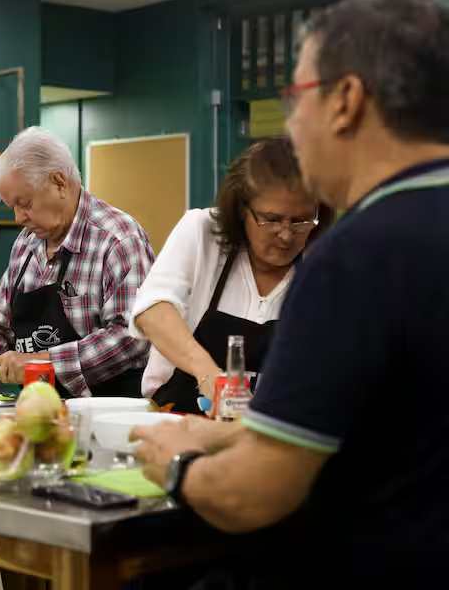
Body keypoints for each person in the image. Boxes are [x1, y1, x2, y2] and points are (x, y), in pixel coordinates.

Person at [133, 0, 449, 590]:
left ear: (346, 101)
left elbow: (256, 493)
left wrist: (176, 467)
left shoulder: (358, 256)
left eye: (295, 101)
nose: (292, 128)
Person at [130, 138, 332, 414]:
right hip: (178, 419)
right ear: (240, 209)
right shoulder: (202, 232)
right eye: (271, 219)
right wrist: (208, 374)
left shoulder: (325, 263)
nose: (286, 235)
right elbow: (152, 310)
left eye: (301, 221)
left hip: (272, 432)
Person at [0, 126, 154, 397]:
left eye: (25, 203)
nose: (19, 218)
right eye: (13, 207)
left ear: (59, 182)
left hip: (108, 407)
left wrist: (45, 362)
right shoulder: (25, 244)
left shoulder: (118, 240)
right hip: (39, 406)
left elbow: (131, 337)